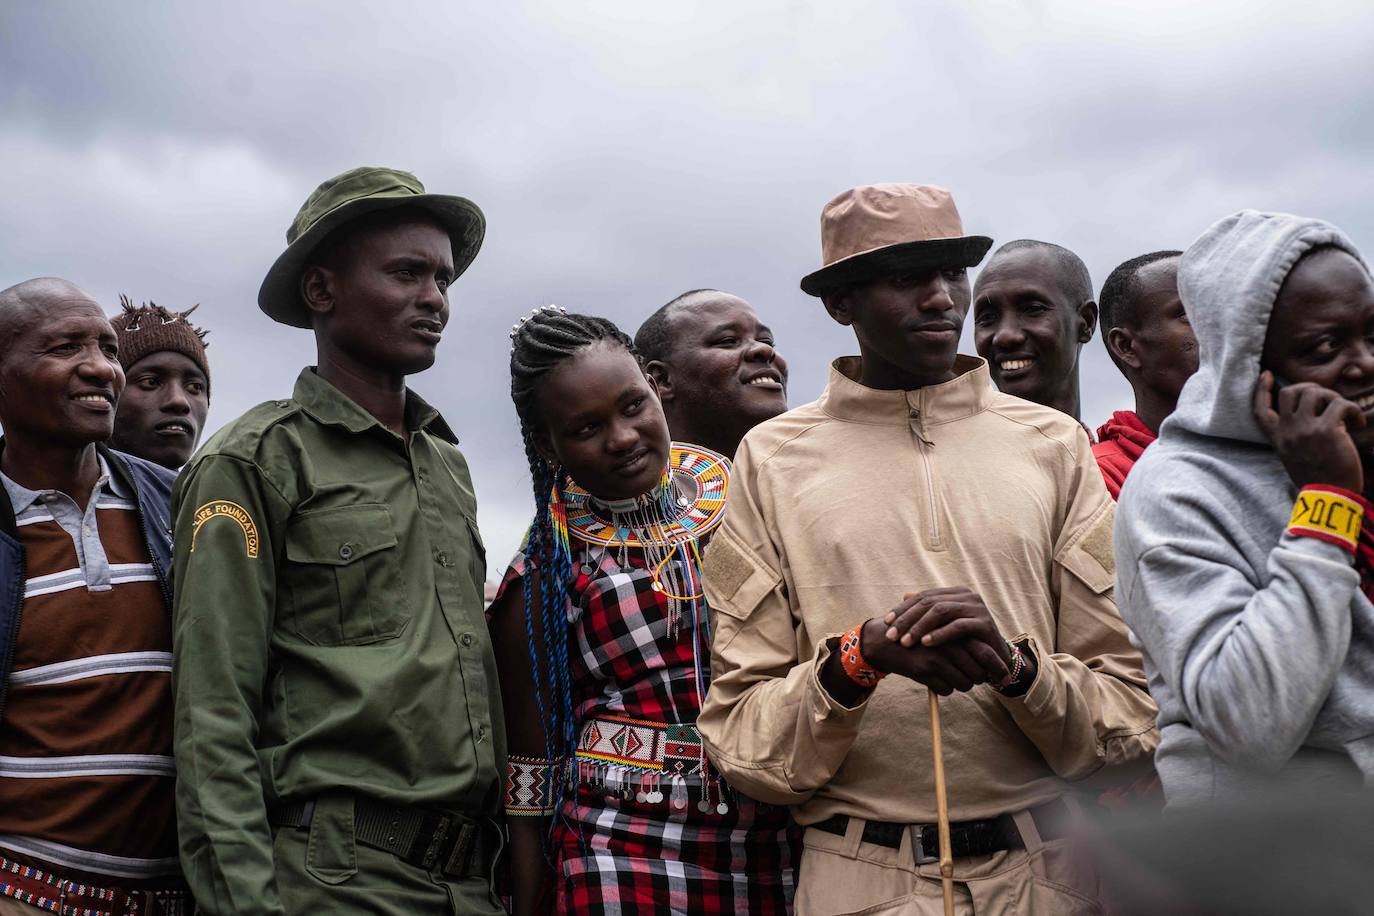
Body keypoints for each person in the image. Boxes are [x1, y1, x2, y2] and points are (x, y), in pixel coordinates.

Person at [698, 183, 1157, 915]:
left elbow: (1129, 713)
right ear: (841, 303)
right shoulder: (773, 460)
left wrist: (1014, 668)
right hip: (859, 880)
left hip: (1049, 879)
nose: (943, 299)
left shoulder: (1053, 446)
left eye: (952, 273)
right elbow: (745, 742)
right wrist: (861, 659)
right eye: (908, 277)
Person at [170, 167, 502, 914]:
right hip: (333, 882)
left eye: (444, 279)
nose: (435, 300)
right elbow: (211, 714)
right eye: (407, 273)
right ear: (321, 292)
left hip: (470, 884)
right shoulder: (253, 460)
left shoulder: (445, 461)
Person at [490, 307, 796, 915]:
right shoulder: (545, 571)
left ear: (657, 390)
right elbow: (530, 767)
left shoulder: (754, 507)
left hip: (775, 838)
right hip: (617, 848)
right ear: (549, 445)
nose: (623, 437)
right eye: (586, 428)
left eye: (633, 406)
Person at [1115, 211, 1374, 806]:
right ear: (1245, 364)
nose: (1362, 363)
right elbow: (1246, 721)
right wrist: (1327, 506)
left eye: (1372, 333)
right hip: (1277, 864)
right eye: (1325, 346)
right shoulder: (1175, 491)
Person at [0, 278, 189, 914]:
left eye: (108, 348)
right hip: (22, 890)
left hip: (179, 894)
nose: (101, 368)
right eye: (65, 347)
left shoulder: (179, 507)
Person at [634, 289, 788, 457]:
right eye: (728, 341)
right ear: (662, 380)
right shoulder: (616, 482)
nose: (764, 349)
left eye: (767, 341)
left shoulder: (812, 475)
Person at [1092, 251, 1196, 499]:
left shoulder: (1281, 445)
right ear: (1126, 346)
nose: (1216, 325)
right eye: (1188, 314)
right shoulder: (1099, 479)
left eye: (1217, 310)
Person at [971, 239, 1098, 423]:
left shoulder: (1137, 450)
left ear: (1086, 322)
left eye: (1033, 309)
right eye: (987, 318)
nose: (1005, 336)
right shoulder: (944, 449)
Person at [109, 296, 211, 470]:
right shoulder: (58, 494)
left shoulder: (224, 495)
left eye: (195, 387)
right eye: (150, 382)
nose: (179, 401)